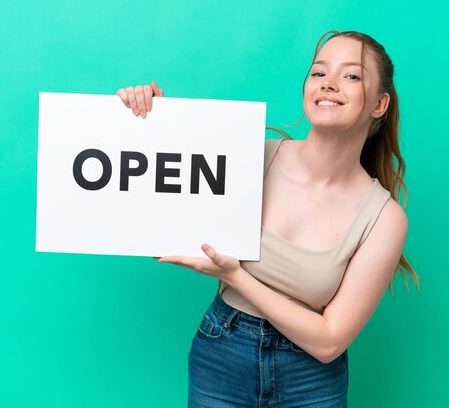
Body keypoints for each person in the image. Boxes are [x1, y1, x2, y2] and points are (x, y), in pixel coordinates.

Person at [116, 30, 420, 407]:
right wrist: (152, 129)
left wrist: (235, 275)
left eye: (351, 76)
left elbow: (329, 341)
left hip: (312, 381)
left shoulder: (384, 219)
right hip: (221, 355)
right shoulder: (249, 157)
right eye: (319, 73)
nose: (329, 85)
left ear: (380, 103)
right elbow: (160, 231)